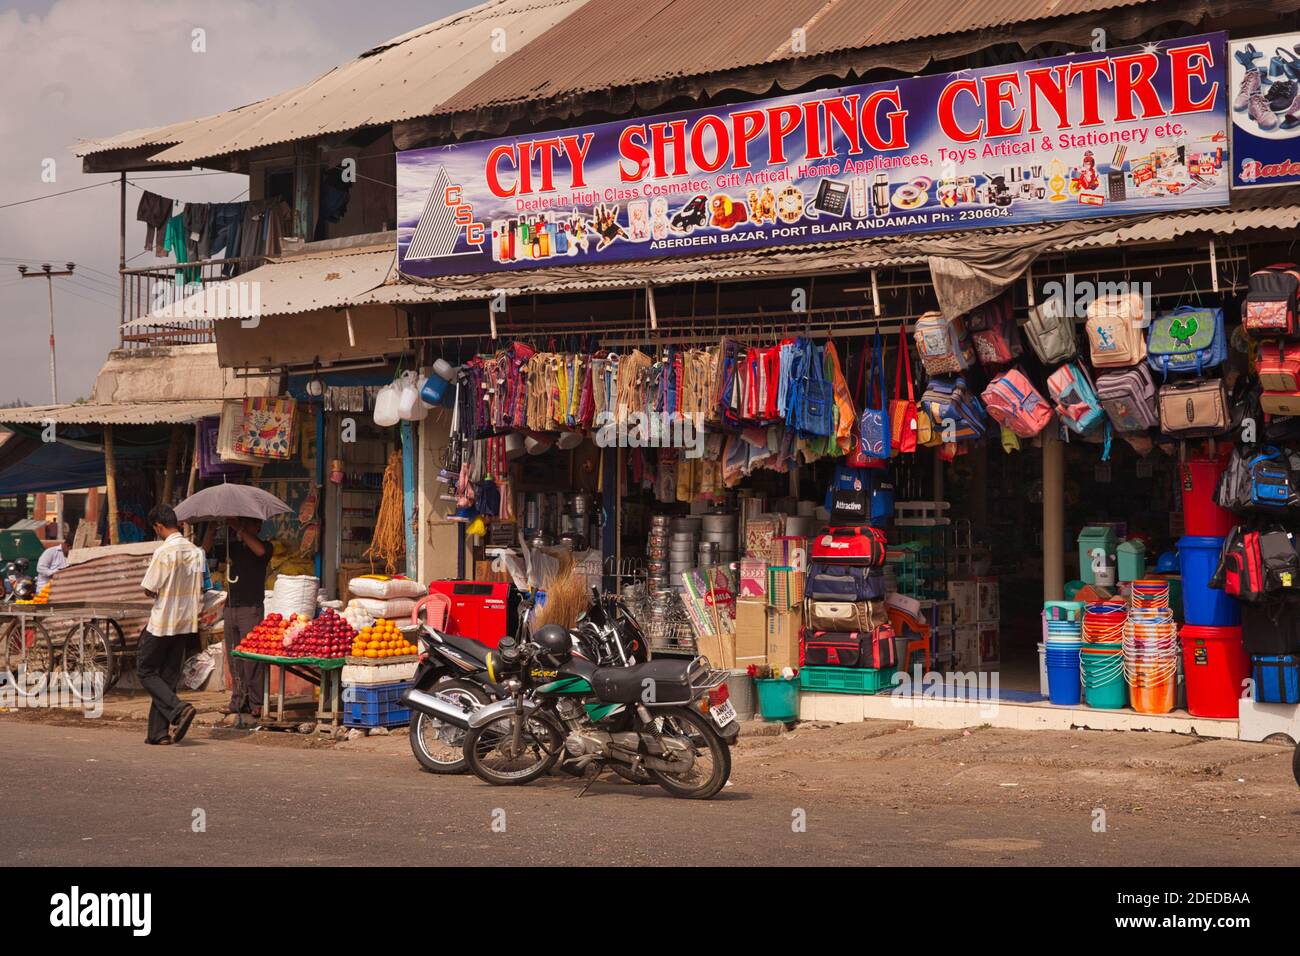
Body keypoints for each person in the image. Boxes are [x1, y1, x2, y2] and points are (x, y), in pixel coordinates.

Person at [138, 505, 204, 745]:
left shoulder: (164, 552)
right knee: (166, 677)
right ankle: (158, 734)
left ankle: (179, 708)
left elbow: (149, 587)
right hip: (186, 623)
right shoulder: (196, 552)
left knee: (145, 671)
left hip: (163, 622)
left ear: (158, 526)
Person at [202, 517, 272, 718]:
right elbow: (204, 553)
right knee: (235, 657)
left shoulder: (264, 546)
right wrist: (211, 528)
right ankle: (238, 700)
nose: (248, 527)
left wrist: (238, 528)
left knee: (252, 657)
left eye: (250, 524)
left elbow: (260, 551)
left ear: (256, 527)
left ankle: (257, 702)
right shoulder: (231, 547)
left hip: (251, 608)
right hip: (231, 606)